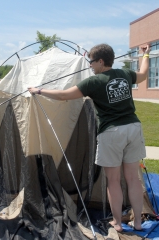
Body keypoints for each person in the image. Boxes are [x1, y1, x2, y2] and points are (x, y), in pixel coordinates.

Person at [28, 43, 150, 232]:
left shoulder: (94, 82)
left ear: (101, 61)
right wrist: (146, 55)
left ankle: (117, 223)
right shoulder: (125, 74)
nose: (90, 66)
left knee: (114, 181)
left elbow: (63, 96)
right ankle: (138, 223)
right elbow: (142, 75)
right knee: (133, 179)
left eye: (92, 62)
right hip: (133, 128)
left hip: (112, 132)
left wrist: (39, 91)